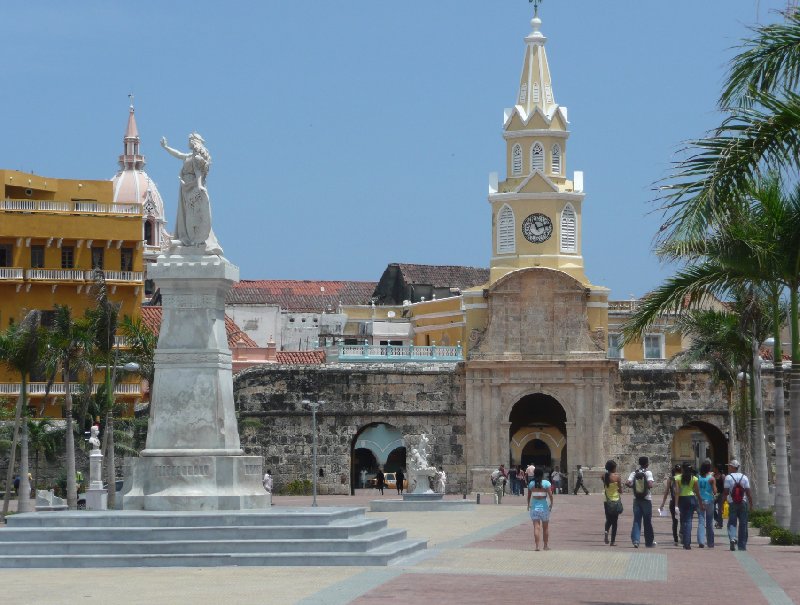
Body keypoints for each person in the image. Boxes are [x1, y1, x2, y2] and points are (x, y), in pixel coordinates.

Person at [161, 133, 223, 255]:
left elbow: (198, 172)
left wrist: (198, 185)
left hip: (191, 187)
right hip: (186, 187)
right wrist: (166, 147)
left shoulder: (196, 157)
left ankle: (193, 239)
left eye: (189, 140)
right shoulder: (189, 156)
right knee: (186, 214)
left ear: (194, 142)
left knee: (191, 214)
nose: (188, 142)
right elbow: (178, 154)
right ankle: (188, 239)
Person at [721, 460, 753, 551]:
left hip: (732, 503)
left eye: (730, 466)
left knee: (732, 522)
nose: (729, 467)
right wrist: (751, 504)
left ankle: (732, 538)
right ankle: (742, 546)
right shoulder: (744, 477)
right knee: (743, 524)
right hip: (743, 503)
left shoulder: (728, 477)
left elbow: (725, 492)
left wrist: (722, 504)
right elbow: (748, 492)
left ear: (733, 467)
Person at [626, 456, 656, 548]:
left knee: (637, 520)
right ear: (647, 464)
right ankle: (649, 542)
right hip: (646, 499)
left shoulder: (634, 473)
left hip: (637, 499)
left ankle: (636, 541)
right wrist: (646, 485)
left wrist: (634, 486)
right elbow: (650, 485)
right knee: (647, 521)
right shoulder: (648, 472)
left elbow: (627, 483)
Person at [676, 462, 703, 549]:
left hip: (682, 499)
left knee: (683, 521)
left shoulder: (677, 478)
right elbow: (697, 492)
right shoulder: (694, 478)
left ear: (682, 469)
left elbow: (677, 492)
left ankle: (685, 541)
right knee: (689, 520)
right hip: (691, 498)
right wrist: (700, 503)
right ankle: (687, 543)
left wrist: (676, 505)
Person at [526, 467, 554, 551]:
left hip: (534, 508)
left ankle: (537, 546)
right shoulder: (546, 483)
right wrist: (551, 504)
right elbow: (550, 495)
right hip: (544, 508)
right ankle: (545, 545)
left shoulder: (531, 484)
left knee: (536, 527)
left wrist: (528, 505)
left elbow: (529, 496)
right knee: (545, 528)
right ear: (542, 474)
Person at [658, 464, 682, 546]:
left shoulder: (670, 479)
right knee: (683, 520)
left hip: (673, 502)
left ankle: (675, 539)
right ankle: (682, 534)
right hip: (683, 501)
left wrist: (663, 503)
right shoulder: (684, 478)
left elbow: (666, 492)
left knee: (674, 521)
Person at [602, 460, 623, 546]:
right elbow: (620, 490)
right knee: (615, 522)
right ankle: (612, 541)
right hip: (615, 500)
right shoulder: (617, 477)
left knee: (608, 519)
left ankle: (606, 531)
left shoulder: (603, 476)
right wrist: (617, 489)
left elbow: (606, 484)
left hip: (607, 500)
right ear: (613, 468)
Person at [697, 460, 716, 548]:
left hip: (700, 500)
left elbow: (696, 490)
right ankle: (710, 542)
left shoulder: (698, 477)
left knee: (701, 521)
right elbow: (715, 491)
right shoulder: (711, 478)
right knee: (709, 522)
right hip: (709, 500)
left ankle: (701, 541)